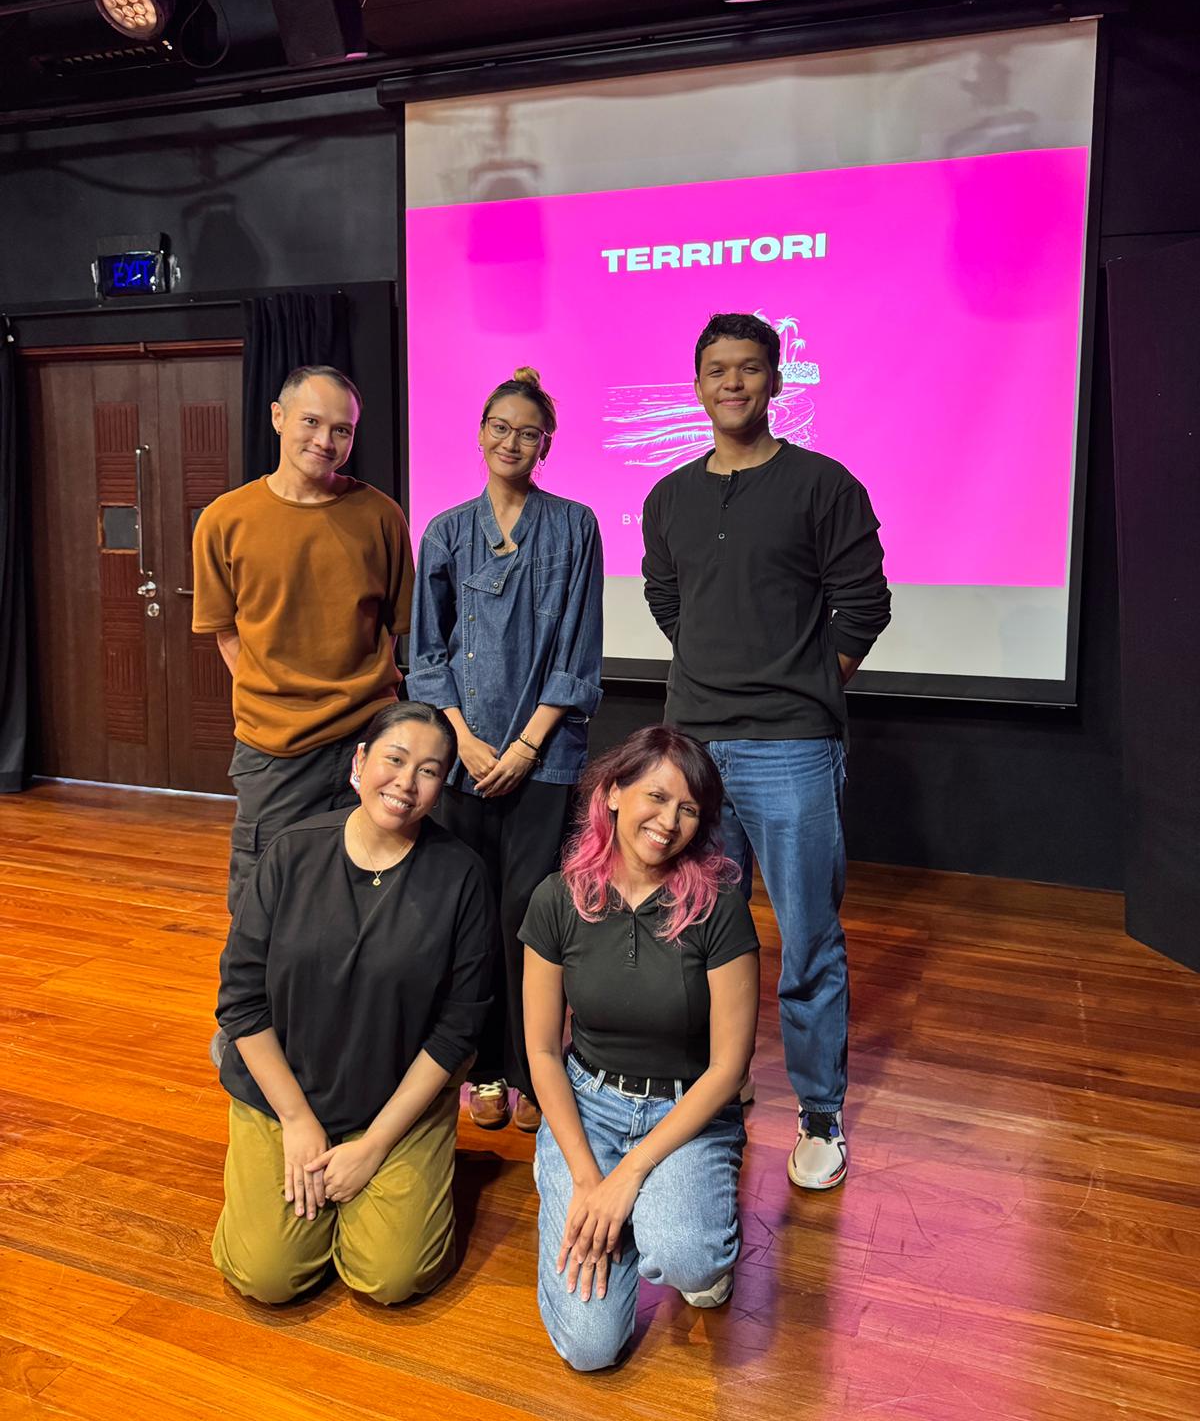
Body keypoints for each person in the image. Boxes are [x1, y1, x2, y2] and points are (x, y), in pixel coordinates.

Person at [641, 313, 891, 1191]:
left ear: (777, 381)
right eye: (716, 370)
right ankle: (721, 1083)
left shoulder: (824, 485)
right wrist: (717, 671)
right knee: (703, 929)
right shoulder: (668, 496)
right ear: (699, 384)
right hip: (693, 748)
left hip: (792, 747)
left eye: (749, 369)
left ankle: (821, 1115)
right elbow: (664, 597)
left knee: (810, 938)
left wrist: (806, 683)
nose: (733, 383)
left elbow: (864, 604)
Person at [211, 701, 494, 1307]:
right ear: (359, 763)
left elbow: (457, 1030)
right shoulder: (291, 852)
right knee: (268, 1276)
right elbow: (240, 1000)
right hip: (287, 1093)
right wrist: (296, 1120)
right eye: (394, 759)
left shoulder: (461, 876)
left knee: (391, 1278)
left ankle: (407, 1167)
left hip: (393, 1099)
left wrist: (373, 1147)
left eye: (429, 771)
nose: (407, 783)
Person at [520, 726, 759, 1371]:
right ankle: (619, 1209)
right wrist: (586, 1177)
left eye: (689, 810)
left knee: (686, 1255)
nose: (670, 822)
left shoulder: (720, 908)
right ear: (613, 793)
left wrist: (626, 1178)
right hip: (588, 1106)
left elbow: (729, 1067)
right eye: (656, 797)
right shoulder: (557, 899)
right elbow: (543, 1052)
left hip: (687, 1111)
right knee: (590, 1349)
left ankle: (665, 1212)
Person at [408, 367, 603, 1136]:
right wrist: (461, 736)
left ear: (546, 443)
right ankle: (483, 1069)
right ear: (481, 431)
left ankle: (532, 1069)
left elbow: (578, 655)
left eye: (528, 432)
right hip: (461, 755)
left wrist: (525, 745)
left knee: (531, 914)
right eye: (500, 427)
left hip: (544, 758)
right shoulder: (447, 531)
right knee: (469, 915)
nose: (511, 441)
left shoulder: (576, 525)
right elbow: (427, 653)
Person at [192, 364, 414, 917]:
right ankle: (261, 1007)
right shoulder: (225, 520)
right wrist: (276, 700)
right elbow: (226, 633)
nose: (326, 440)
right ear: (277, 418)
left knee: (371, 902)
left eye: (342, 429)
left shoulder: (381, 516)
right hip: (275, 751)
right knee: (263, 905)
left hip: (370, 744)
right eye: (312, 422)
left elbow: (394, 628)